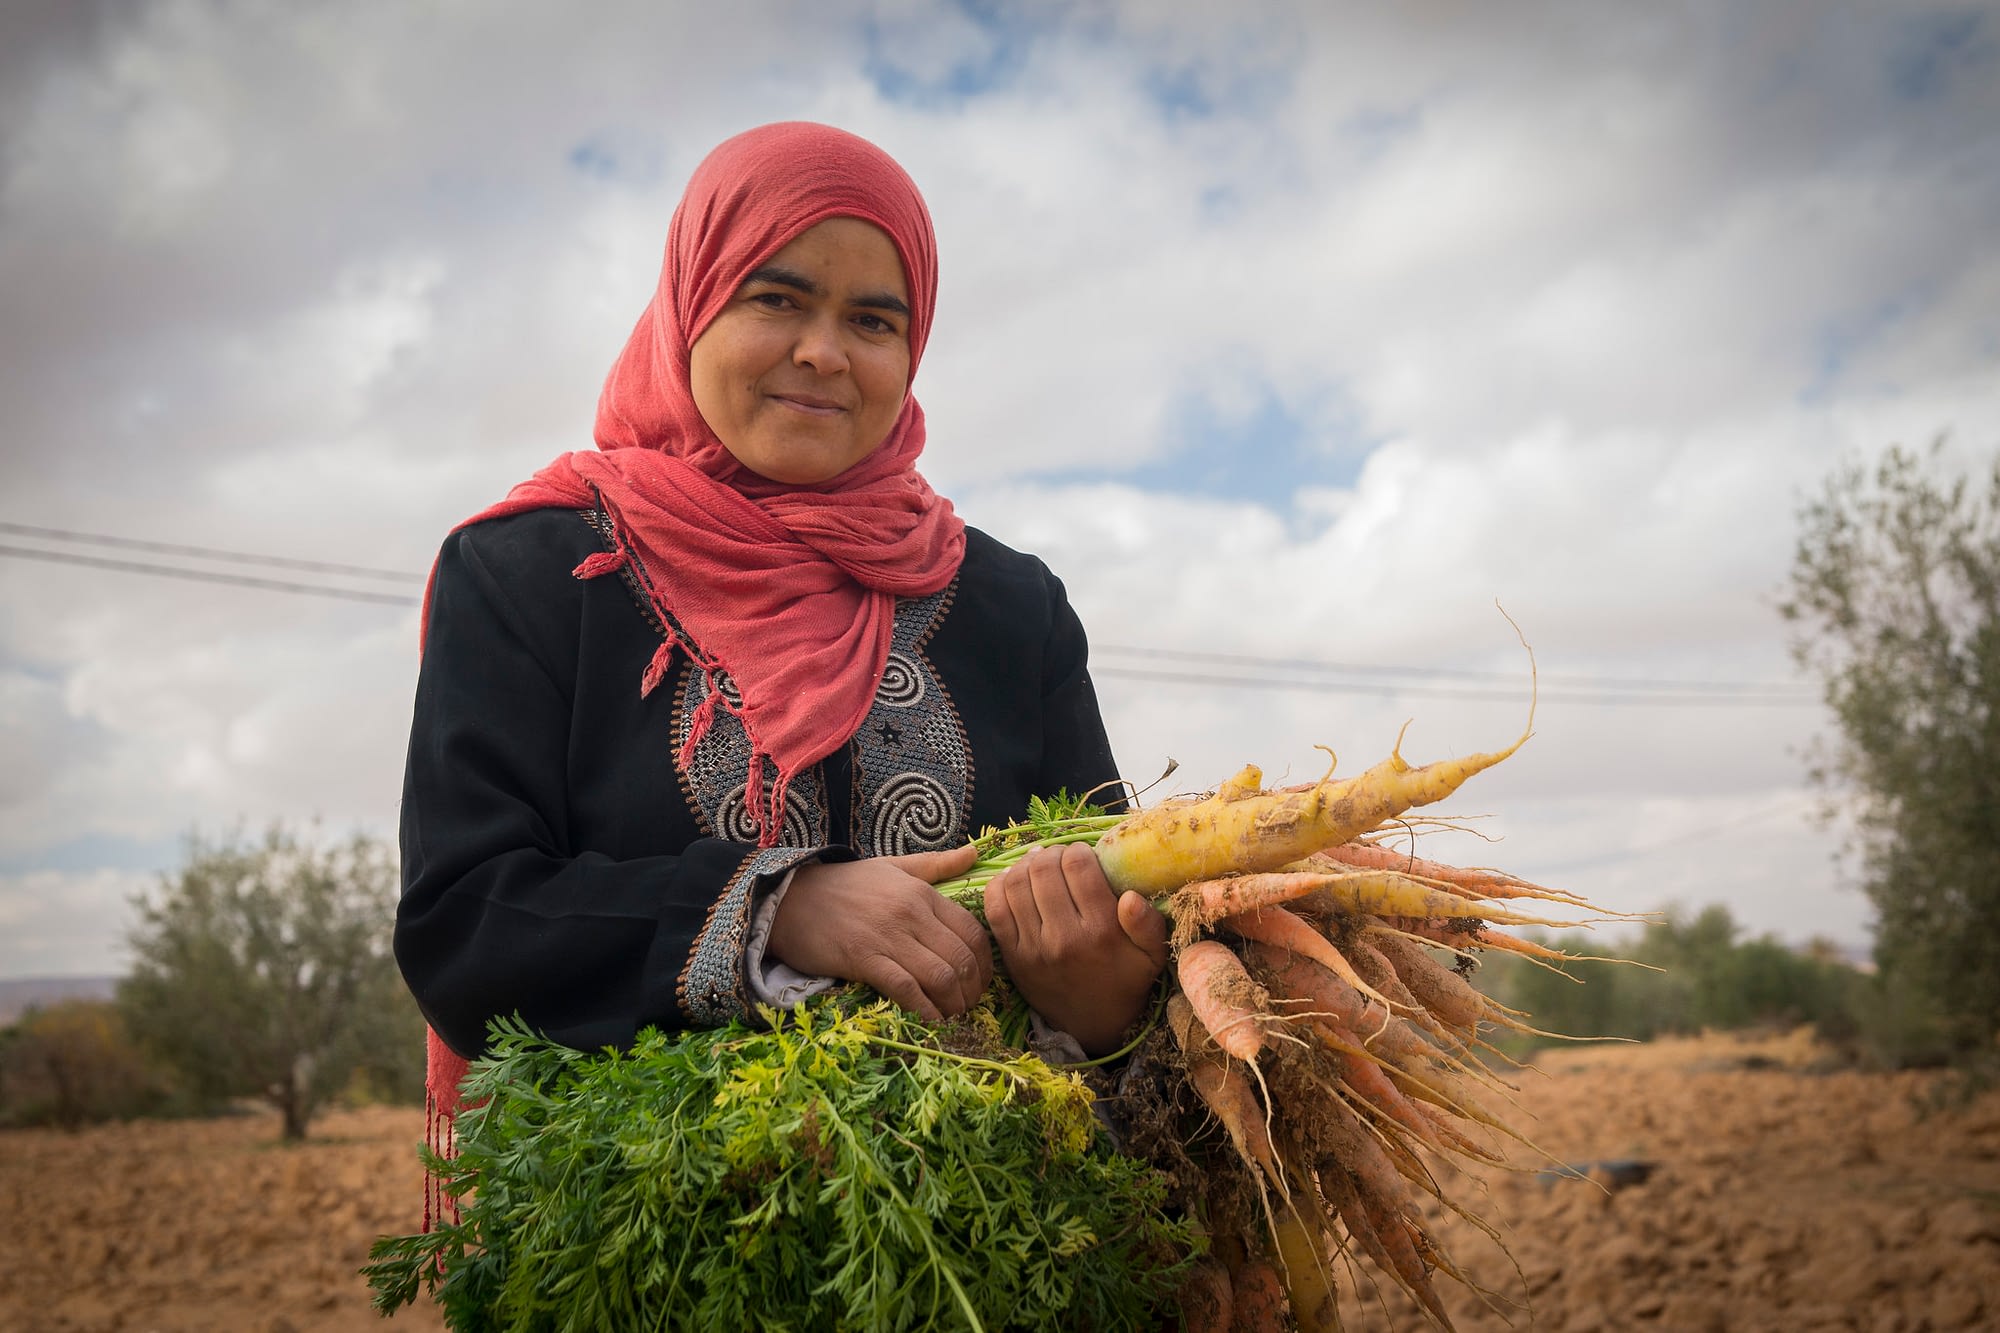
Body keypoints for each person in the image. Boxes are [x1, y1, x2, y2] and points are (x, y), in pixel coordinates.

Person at [395, 122, 1170, 1130]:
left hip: (997, 1252)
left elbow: (1112, 908)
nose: (822, 352)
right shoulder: (530, 574)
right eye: (777, 299)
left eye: (873, 321)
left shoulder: (1011, 608)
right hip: (647, 1266)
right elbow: (466, 925)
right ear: (693, 300)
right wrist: (779, 910)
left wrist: (1103, 997)